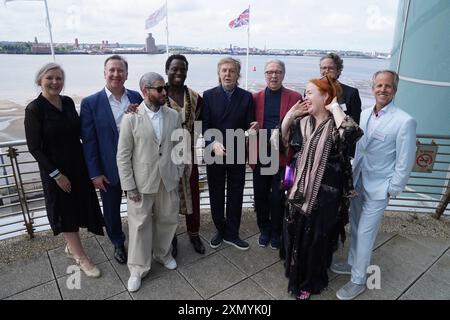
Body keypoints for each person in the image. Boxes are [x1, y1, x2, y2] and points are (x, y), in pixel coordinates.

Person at [334, 70, 416, 300]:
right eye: (379, 85)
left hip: (380, 188)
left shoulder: (404, 121)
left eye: (388, 86)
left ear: (395, 90)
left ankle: (359, 280)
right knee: (356, 227)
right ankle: (352, 263)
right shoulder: (366, 114)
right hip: (359, 181)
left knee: (367, 233)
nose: (382, 89)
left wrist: (393, 188)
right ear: (373, 88)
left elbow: (405, 159)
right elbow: (361, 148)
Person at [280, 76, 363, 300]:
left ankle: (310, 281)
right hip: (299, 189)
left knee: (316, 239)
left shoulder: (337, 123)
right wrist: (290, 116)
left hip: (325, 194)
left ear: (325, 96)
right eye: (305, 92)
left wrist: (334, 106)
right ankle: (297, 274)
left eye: (309, 93)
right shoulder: (303, 122)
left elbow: (352, 135)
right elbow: (282, 142)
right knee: (297, 234)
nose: (305, 97)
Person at [24, 63, 104, 278]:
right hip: (56, 171)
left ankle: (71, 247)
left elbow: (81, 131)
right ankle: (81, 257)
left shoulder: (67, 102)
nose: (55, 82)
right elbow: (34, 148)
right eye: (50, 78)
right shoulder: (34, 109)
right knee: (66, 212)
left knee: (78, 206)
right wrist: (57, 175)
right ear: (40, 80)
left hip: (78, 165)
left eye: (59, 78)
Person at [117, 72, 183, 292]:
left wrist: (178, 171)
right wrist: (129, 186)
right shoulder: (131, 117)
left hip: (168, 180)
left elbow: (179, 146)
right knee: (139, 226)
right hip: (141, 182)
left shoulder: (173, 116)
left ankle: (163, 254)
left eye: (164, 88)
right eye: (159, 89)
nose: (165, 92)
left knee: (167, 220)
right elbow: (123, 155)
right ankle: (137, 269)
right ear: (145, 91)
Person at [80, 55, 143, 264]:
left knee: (140, 206)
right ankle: (117, 242)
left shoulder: (136, 97)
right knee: (111, 209)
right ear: (105, 73)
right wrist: (95, 173)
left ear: (126, 74)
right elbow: (89, 141)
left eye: (120, 70)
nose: (116, 74)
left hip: (136, 166)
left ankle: (140, 239)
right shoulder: (91, 103)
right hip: (108, 168)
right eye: (112, 70)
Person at [202, 57, 256, 251]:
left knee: (236, 194)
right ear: (219, 73)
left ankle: (232, 233)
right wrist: (212, 142)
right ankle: (220, 230)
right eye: (224, 70)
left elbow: (249, 124)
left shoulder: (247, 97)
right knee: (216, 193)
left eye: (231, 71)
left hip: (237, 152)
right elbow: (205, 125)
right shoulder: (208, 96)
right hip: (214, 153)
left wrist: (252, 130)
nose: (227, 74)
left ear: (237, 74)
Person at [252, 59, 302, 250]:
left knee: (279, 197)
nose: (273, 75)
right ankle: (264, 229)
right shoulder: (255, 98)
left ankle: (276, 231)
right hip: (261, 156)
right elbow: (247, 124)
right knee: (261, 196)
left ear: (283, 74)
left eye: (278, 72)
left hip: (285, 159)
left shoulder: (295, 97)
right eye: (270, 72)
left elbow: (301, 127)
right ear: (265, 75)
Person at [165, 54, 206, 256]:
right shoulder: (157, 94)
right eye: (174, 69)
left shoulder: (196, 97)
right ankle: (171, 238)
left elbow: (201, 125)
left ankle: (194, 234)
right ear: (167, 70)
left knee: (193, 196)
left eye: (182, 69)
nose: (179, 72)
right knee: (169, 198)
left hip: (189, 155)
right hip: (164, 157)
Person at [319, 53, 362, 124]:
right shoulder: (311, 92)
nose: (326, 71)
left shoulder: (351, 93)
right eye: (324, 68)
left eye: (331, 68)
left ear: (338, 70)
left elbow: (355, 122)